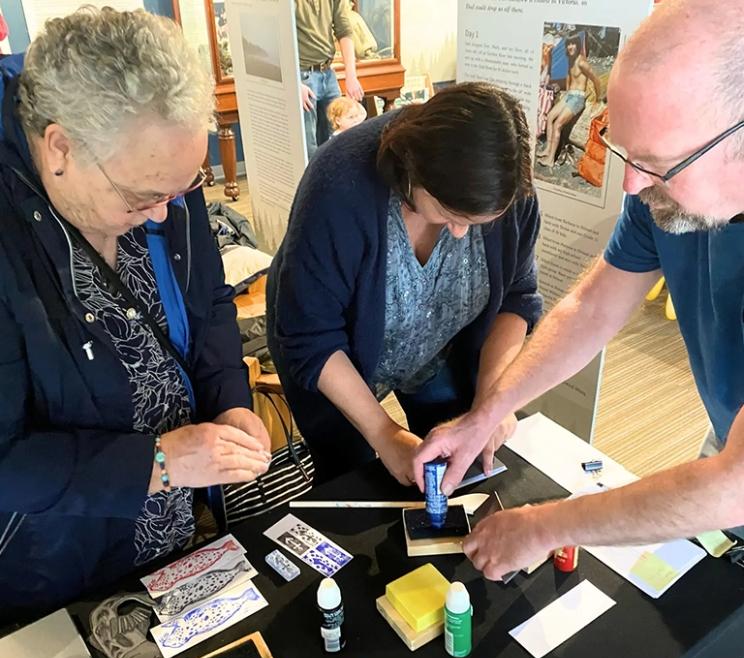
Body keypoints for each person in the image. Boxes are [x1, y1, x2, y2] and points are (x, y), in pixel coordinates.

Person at [413, 0, 744, 581]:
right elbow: (590, 308)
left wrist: (545, 526)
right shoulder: (660, 189)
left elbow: (734, 485)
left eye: (658, 164)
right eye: (627, 154)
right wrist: (487, 413)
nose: (633, 183)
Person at [0, 8, 271, 622]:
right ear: (59, 147)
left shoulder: (157, 170)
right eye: (142, 196)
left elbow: (207, 305)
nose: (161, 216)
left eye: (182, 190)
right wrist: (156, 462)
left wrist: (230, 400)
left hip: (175, 537)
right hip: (60, 568)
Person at [268, 82, 542, 485]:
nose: (461, 234)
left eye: (475, 223)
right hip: (332, 358)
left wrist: (491, 402)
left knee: (454, 467)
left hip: (438, 352)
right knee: (353, 477)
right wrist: (384, 434)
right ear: (415, 172)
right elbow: (312, 336)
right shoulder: (340, 184)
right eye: (450, 215)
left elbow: (516, 299)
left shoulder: (508, 187)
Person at [295, 0, 365, 159]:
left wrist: (351, 76)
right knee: (308, 145)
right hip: (302, 76)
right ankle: (313, 183)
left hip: (328, 73)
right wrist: (294, 82)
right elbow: (278, 36)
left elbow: (344, 30)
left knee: (338, 138)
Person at [537, 34, 603, 168]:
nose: (570, 46)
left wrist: (598, 99)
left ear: (578, 45)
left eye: (573, 44)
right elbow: (568, 76)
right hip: (569, 95)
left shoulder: (581, 62)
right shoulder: (570, 59)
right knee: (550, 117)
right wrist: (564, 93)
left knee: (557, 125)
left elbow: (596, 80)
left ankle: (550, 159)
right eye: (568, 44)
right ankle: (548, 149)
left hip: (578, 97)